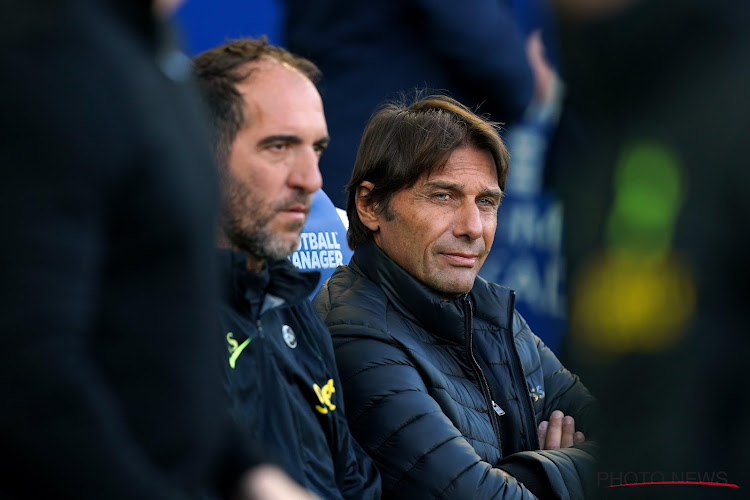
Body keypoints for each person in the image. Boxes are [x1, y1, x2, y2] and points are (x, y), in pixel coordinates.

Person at [0, 1, 313, 499]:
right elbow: (27, 365)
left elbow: (160, 348)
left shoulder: (151, 50)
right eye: (280, 146)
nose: (310, 180)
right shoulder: (42, 55)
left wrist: (249, 472)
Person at [313, 94, 598, 499]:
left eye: (487, 202)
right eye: (443, 196)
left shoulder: (493, 313)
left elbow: (636, 449)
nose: (472, 228)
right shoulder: (354, 334)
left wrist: (533, 473)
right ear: (370, 205)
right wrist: (562, 470)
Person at [192, 38, 381, 500]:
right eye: (279, 147)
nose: (312, 181)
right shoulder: (155, 321)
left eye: (316, 149)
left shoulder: (297, 311)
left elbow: (356, 484)